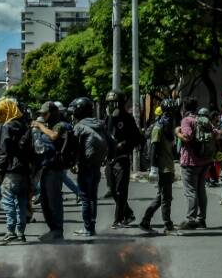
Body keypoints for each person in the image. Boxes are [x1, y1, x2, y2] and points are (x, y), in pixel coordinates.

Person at [70, 97, 109, 237]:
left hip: (85, 165)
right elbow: (111, 142)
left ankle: (88, 228)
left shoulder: (79, 126)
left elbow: (74, 146)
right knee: (93, 197)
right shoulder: (100, 124)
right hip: (96, 165)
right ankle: (91, 226)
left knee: (85, 198)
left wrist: (72, 162)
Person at [0, 99, 31, 245]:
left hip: (11, 170)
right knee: (21, 202)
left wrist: (0, 169)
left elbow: (4, 150)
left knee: (8, 202)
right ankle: (21, 232)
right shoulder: (23, 125)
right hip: (24, 170)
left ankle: (10, 232)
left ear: (7, 111)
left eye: (1, 114)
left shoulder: (7, 127)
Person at [105, 91, 144, 229]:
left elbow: (138, 138)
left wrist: (124, 144)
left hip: (122, 160)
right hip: (110, 160)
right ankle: (128, 213)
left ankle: (118, 219)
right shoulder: (108, 118)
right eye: (109, 103)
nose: (111, 105)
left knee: (121, 191)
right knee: (113, 191)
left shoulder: (128, 118)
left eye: (114, 103)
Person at [32, 101, 70, 241]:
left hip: (55, 169)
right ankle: (53, 230)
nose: (43, 116)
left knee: (54, 202)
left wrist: (40, 126)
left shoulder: (61, 125)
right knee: (45, 202)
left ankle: (58, 231)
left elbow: (54, 136)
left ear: (53, 113)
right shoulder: (49, 126)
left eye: (45, 114)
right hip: (46, 168)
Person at [140, 99, 179, 234]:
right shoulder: (158, 128)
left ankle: (145, 221)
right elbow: (153, 149)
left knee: (161, 197)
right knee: (166, 198)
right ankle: (168, 226)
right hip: (162, 168)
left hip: (168, 166)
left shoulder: (169, 126)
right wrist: (153, 169)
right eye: (168, 112)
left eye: (172, 112)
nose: (171, 115)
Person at [177, 100, 217, 230]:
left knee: (190, 191)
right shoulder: (203, 120)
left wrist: (177, 132)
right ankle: (201, 219)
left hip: (190, 162)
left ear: (184, 108)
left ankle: (190, 220)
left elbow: (187, 137)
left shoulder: (186, 120)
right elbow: (217, 134)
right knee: (201, 191)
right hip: (205, 161)